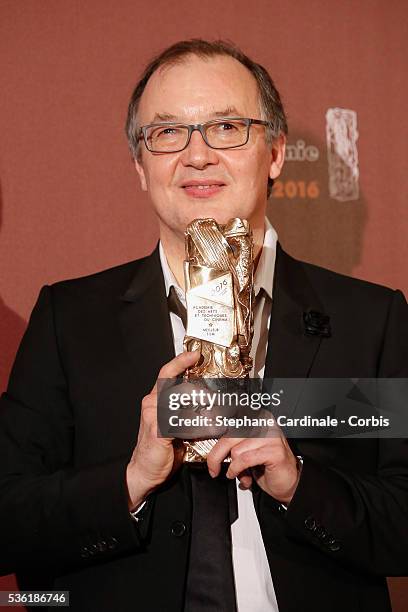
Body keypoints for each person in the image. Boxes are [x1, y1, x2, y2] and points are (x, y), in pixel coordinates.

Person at [0, 39, 407, 612]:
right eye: (167, 133)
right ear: (141, 166)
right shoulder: (70, 320)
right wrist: (132, 479)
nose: (197, 155)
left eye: (226, 127)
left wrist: (298, 483)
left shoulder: (371, 319)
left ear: (274, 154)